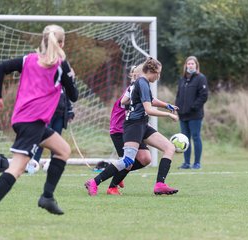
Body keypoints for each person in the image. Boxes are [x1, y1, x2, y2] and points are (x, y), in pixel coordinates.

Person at [0, 24, 79, 226]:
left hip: (26, 119)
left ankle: (47, 197)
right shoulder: (61, 65)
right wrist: (70, 78)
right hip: (32, 122)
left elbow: (1, 67)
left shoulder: (28, 59)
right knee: (17, 168)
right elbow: (74, 96)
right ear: (61, 43)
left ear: (43, 40)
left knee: (63, 149)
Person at [85, 57, 180, 196]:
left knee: (168, 148)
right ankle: (94, 182)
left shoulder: (142, 83)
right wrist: (168, 114)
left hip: (142, 124)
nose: (159, 76)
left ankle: (160, 184)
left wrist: (167, 105)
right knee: (128, 161)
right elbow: (148, 109)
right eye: (158, 73)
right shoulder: (141, 83)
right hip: (133, 125)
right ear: (150, 71)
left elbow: (135, 100)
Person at [106, 64, 151, 195]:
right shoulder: (133, 90)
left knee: (144, 159)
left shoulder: (137, 88)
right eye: (135, 74)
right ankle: (111, 185)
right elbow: (145, 105)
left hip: (131, 129)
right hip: (120, 131)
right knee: (128, 162)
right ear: (133, 76)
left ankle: (118, 173)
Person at [175, 56, 208, 170]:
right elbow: (178, 96)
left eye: (192, 64)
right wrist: (177, 109)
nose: (190, 65)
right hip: (183, 115)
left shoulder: (200, 78)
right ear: (186, 65)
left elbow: (203, 96)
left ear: (196, 65)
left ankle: (197, 163)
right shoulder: (182, 79)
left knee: (196, 137)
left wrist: (193, 107)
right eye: (188, 63)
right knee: (185, 139)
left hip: (195, 115)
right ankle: (186, 163)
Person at [32, 90, 75, 163]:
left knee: (56, 143)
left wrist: (70, 111)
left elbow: (67, 99)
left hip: (60, 117)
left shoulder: (64, 84)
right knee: (42, 138)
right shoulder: (47, 83)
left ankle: (54, 164)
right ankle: (34, 163)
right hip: (47, 115)